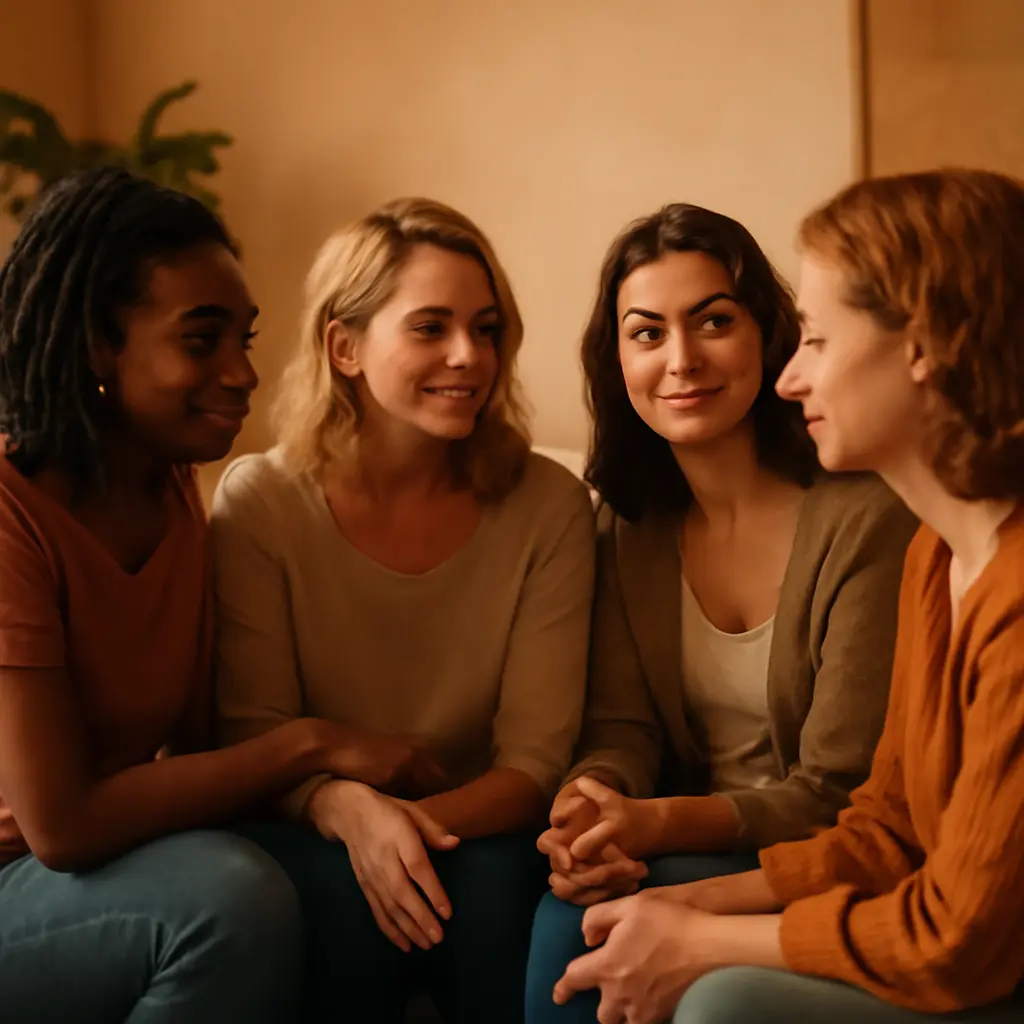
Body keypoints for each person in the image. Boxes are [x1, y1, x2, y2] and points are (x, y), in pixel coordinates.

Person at [551, 169, 1024, 1024]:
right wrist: (688, 906)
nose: (790, 378)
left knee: (725, 1002)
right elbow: (885, 829)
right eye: (646, 333)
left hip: (982, 968)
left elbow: (961, 935)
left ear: (920, 347)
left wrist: (707, 936)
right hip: (923, 927)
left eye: (813, 340)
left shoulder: (997, 583)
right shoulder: (937, 558)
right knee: (593, 930)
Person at [0, 169, 385, 1023]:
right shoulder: (10, 513)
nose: (243, 373)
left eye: (243, 340)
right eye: (201, 341)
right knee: (224, 900)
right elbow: (61, 828)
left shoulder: (176, 488)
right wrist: (313, 745)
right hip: (22, 884)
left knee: (358, 882)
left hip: (110, 860)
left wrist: (351, 805)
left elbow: (204, 747)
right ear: (101, 344)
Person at [211, 197, 595, 1024]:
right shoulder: (262, 502)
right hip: (310, 830)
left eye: (486, 328)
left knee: (488, 884)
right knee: (349, 897)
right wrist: (347, 812)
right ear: (343, 346)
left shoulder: (550, 505)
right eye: (431, 327)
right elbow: (254, 733)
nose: (470, 355)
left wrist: (400, 828)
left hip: (477, 829)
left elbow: (532, 765)